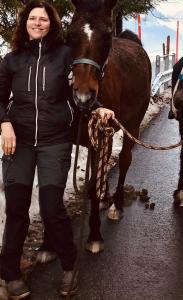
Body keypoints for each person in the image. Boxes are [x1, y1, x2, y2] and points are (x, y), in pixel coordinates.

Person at [0, 0, 114, 298]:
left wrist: (99, 109)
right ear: (25, 22)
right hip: (19, 143)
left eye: (44, 19)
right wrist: (4, 123)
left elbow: (78, 84)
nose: (38, 23)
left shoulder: (64, 55)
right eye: (33, 19)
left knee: (52, 208)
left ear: (52, 24)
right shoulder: (11, 59)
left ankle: (69, 266)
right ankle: (10, 274)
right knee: (16, 210)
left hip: (54, 141)